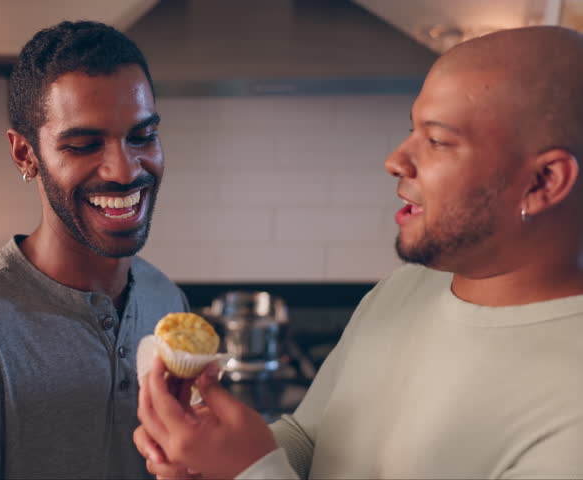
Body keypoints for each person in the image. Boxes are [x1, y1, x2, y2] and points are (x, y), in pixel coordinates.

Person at [135, 25, 583, 479]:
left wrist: (248, 471)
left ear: (543, 182)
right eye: (412, 130)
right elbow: (313, 441)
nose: (396, 160)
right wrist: (210, 454)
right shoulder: (407, 287)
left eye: (437, 140)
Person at [0, 21, 187, 479]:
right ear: (25, 154)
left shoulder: (167, 302)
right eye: (85, 145)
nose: (125, 170)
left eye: (142, 137)